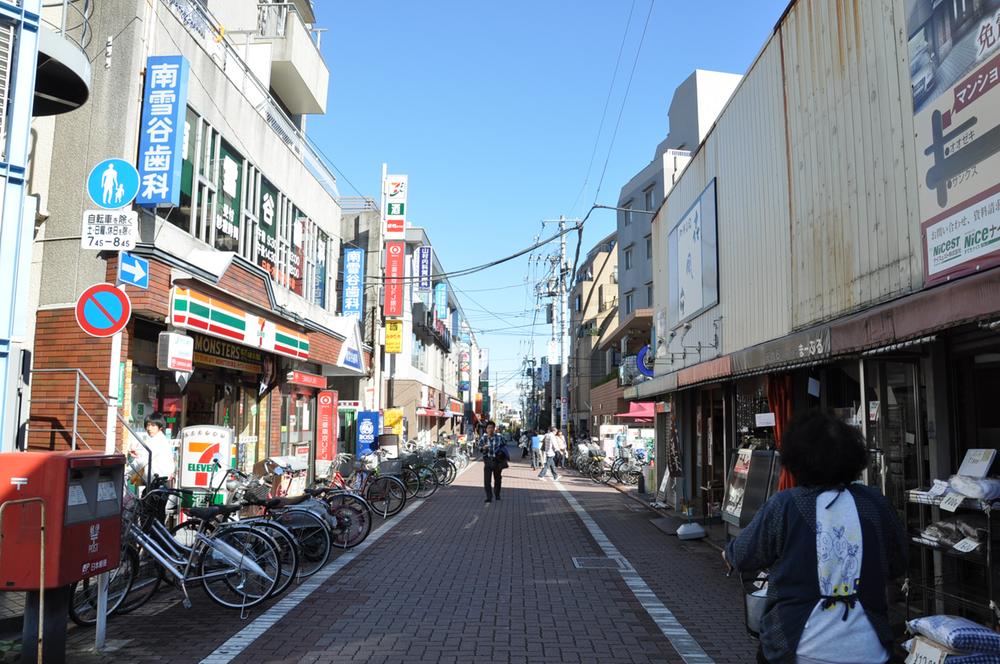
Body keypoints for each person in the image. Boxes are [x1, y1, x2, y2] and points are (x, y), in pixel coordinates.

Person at [723, 411, 907, 664]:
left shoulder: (786, 504)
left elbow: (742, 555)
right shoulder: (875, 503)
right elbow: (898, 562)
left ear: (797, 460)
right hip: (869, 648)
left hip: (797, 645)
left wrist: (729, 554)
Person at [127, 412, 176, 487]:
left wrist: (126, 473)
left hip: (158, 483)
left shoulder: (157, 441)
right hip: (160, 482)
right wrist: (139, 454)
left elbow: (142, 461)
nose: (149, 428)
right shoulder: (159, 439)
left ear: (160, 427)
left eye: (153, 425)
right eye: (148, 425)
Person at [478, 420, 507, 503]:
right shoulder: (483, 438)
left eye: (492, 428)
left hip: (497, 461)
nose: (490, 429)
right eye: (488, 428)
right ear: (486, 429)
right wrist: (483, 448)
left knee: (497, 479)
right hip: (487, 460)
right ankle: (489, 497)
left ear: (494, 429)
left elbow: (505, 444)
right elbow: (479, 447)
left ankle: (497, 494)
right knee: (487, 480)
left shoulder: (499, 437)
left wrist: (501, 451)